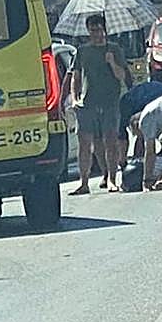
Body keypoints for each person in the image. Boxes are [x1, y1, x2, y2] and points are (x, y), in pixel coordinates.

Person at [69, 14, 127, 195]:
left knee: (110, 141)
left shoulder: (114, 50)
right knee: (85, 143)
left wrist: (111, 62)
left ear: (104, 30)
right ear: (88, 31)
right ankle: (84, 182)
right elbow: (76, 75)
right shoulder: (82, 51)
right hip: (87, 104)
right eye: (93, 30)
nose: (96, 33)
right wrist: (74, 97)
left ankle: (112, 179)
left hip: (110, 102)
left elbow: (121, 76)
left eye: (99, 29)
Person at [119, 78, 162, 160]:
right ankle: (140, 157)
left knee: (144, 134)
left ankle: (139, 158)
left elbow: (122, 138)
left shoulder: (125, 106)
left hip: (150, 99)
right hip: (144, 99)